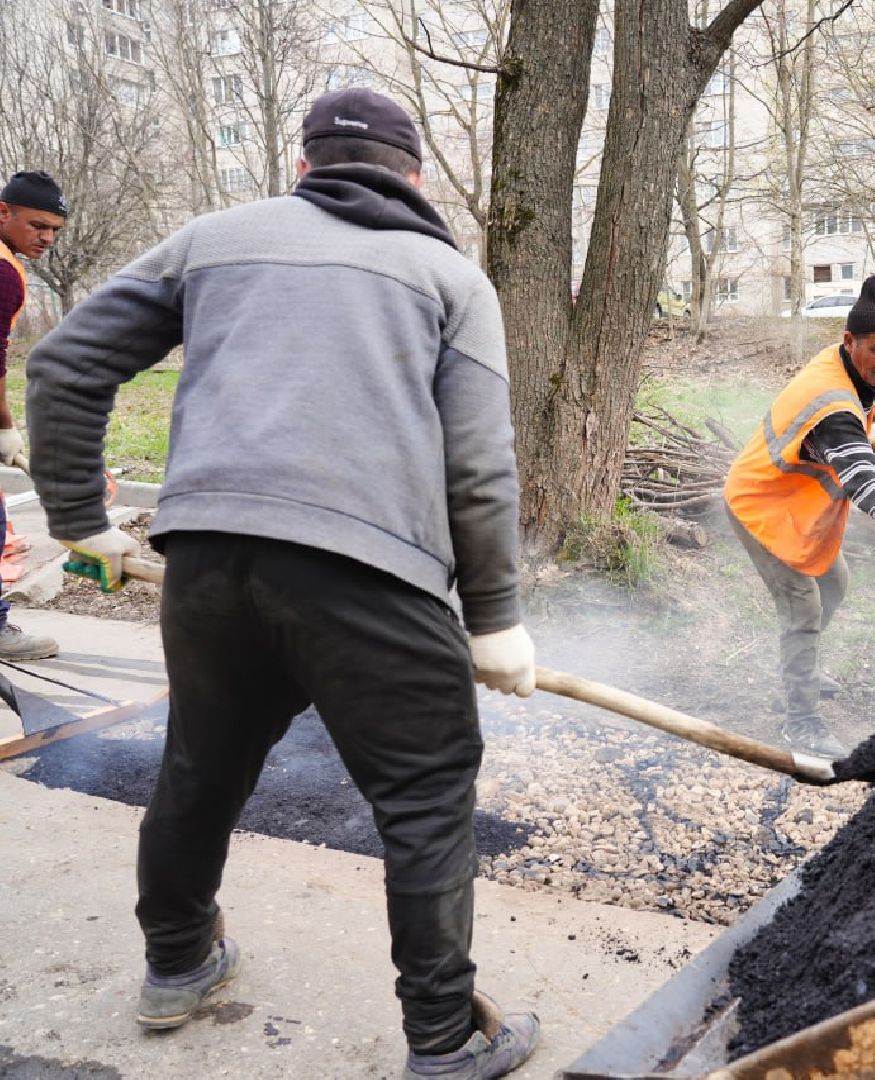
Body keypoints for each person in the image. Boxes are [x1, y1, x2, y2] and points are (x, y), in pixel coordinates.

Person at [25, 89, 541, 1079]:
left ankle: (176, 966)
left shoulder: (213, 238)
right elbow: (480, 471)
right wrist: (497, 620)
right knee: (426, 800)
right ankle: (442, 1041)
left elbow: (64, 364)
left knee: (199, 768)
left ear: (304, 168)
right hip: (371, 576)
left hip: (209, 564)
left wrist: (80, 520)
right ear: (415, 176)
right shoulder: (448, 275)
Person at [724, 275, 875, 758]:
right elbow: (863, 482)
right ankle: (801, 722)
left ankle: (800, 664)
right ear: (849, 341)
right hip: (761, 507)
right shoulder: (829, 403)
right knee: (804, 608)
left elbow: (862, 411)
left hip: (793, 506)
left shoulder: (845, 367)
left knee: (835, 585)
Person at [0, 170, 67, 661]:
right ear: (4, 212)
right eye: (37, 225)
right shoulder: (4, 270)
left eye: (55, 230)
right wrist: (6, 428)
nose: (46, 238)